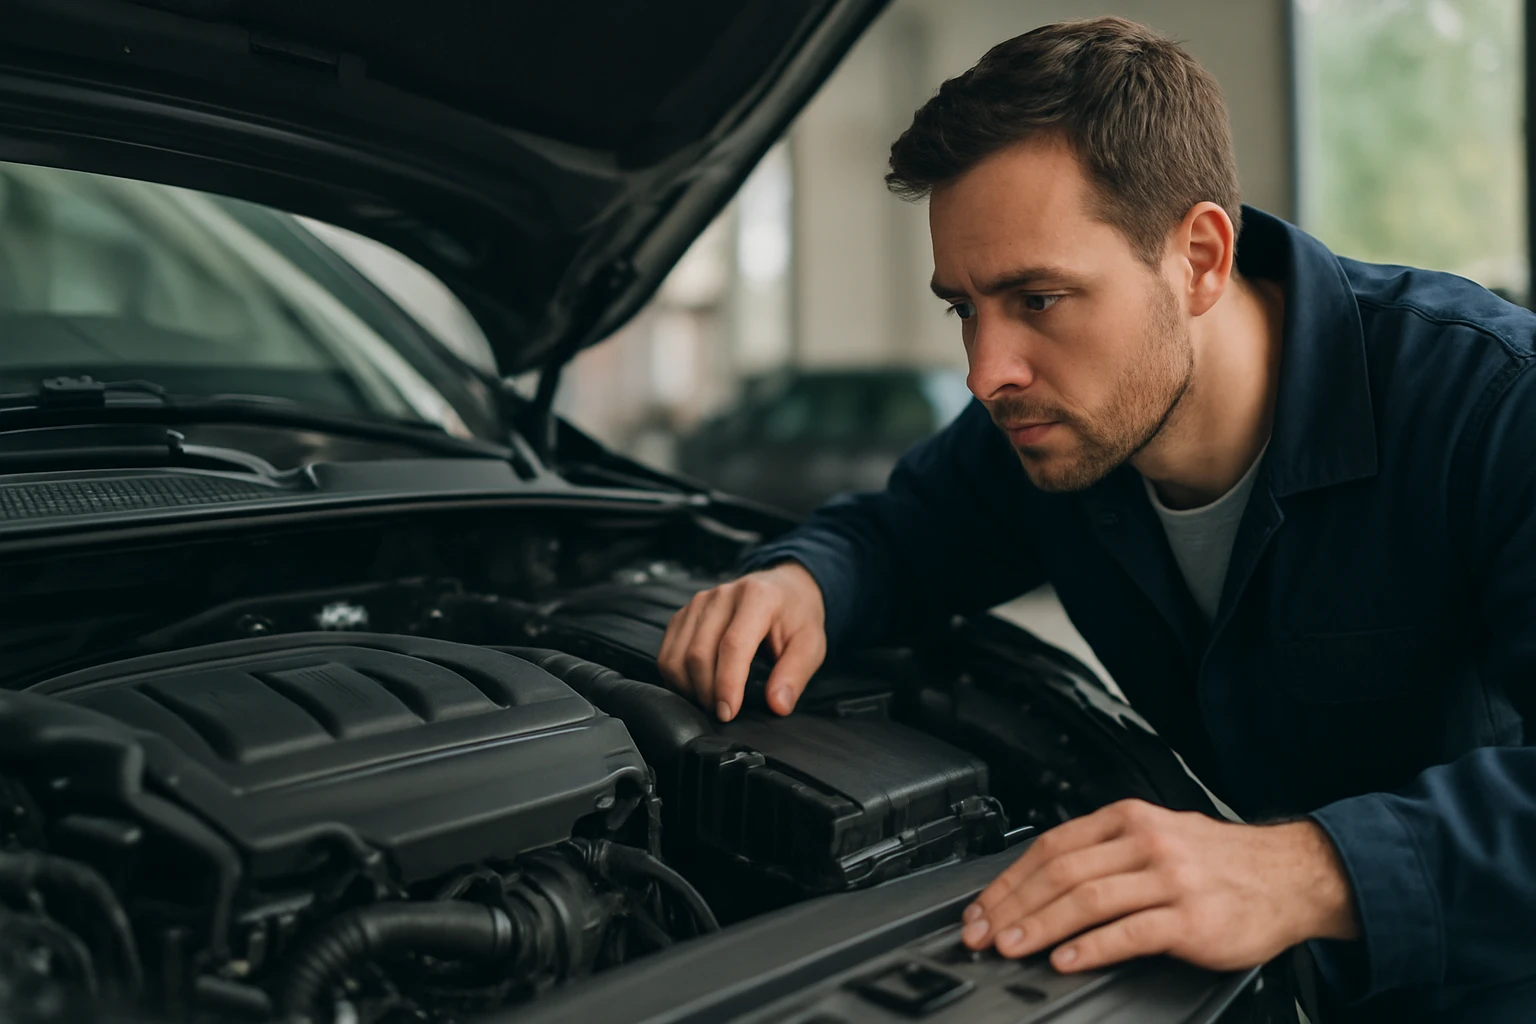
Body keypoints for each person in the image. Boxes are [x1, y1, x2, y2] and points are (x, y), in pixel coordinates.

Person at [655, 16, 1536, 1024]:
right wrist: (802, 579)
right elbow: (895, 536)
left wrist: (1303, 870)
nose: (987, 374)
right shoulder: (1052, 433)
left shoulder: (1491, 405)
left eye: (1039, 297)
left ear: (1201, 256)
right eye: (964, 309)